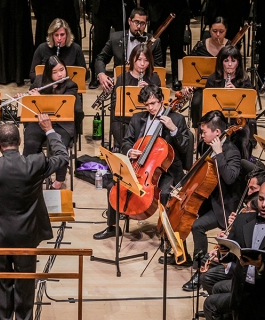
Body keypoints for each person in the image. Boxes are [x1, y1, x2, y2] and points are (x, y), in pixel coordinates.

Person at [0, 114, 69, 320]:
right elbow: (62, 157)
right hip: (27, 235)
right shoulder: (36, 162)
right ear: (20, 141)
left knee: (1, 283)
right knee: (25, 282)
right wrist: (49, 129)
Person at [93, 85, 190, 242]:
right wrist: (130, 151)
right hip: (142, 167)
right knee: (114, 186)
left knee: (165, 193)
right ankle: (112, 227)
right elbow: (126, 141)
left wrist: (173, 129)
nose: (150, 108)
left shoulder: (177, 119)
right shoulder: (138, 118)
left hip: (166, 170)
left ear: (162, 101)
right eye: (147, 104)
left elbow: (185, 147)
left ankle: (166, 235)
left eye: (153, 103)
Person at [180, 110, 241, 290]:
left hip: (225, 207)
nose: (201, 135)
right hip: (209, 200)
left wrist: (219, 154)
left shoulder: (232, 152)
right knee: (192, 223)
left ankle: (200, 274)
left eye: (204, 131)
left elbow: (230, 178)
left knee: (197, 226)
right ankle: (189, 259)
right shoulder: (207, 145)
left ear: (217, 133)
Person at [204, 182, 265, 320]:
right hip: (241, 292)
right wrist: (223, 251)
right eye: (261, 199)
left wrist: (261, 266)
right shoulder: (242, 220)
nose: (263, 204)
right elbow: (229, 255)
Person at [23, 55, 81, 190]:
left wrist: (41, 98)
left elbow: (62, 104)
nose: (60, 74)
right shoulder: (39, 81)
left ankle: (59, 180)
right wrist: (26, 97)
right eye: (55, 72)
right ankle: (32, 175)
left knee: (59, 145)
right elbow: (31, 105)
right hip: (39, 121)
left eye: (62, 70)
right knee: (30, 143)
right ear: (48, 73)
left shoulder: (71, 85)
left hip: (61, 123)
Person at [93, 7, 163, 92]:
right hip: (121, 83)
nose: (139, 26)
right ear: (129, 21)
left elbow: (158, 68)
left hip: (145, 83)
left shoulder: (154, 41)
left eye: (142, 24)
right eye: (136, 22)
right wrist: (101, 74)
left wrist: (149, 85)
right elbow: (100, 58)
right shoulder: (115, 38)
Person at [109, 44, 161, 151]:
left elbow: (160, 103)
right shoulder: (123, 78)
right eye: (139, 60)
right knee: (124, 137)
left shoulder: (154, 78)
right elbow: (115, 104)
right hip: (124, 121)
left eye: (146, 60)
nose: (142, 64)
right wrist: (133, 92)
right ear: (132, 60)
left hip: (147, 119)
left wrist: (150, 92)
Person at [205, 45, 252, 159]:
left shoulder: (244, 80)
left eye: (233, 61)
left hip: (238, 121)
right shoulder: (213, 80)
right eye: (226, 61)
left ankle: (240, 168)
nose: (230, 64)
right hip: (218, 120)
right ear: (221, 62)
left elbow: (249, 106)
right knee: (209, 137)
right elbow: (207, 105)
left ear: (238, 62)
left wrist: (236, 93)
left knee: (241, 139)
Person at [188, 17, 231, 136]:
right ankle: (198, 134)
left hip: (223, 86)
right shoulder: (200, 46)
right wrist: (188, 84)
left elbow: (236, 68)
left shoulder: (230, 46)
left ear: (226, 31)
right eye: (214, 31)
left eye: (221, 31)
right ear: (209, 30)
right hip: (202, 86)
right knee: (196, 102)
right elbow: (189, 66)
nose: (217, 34)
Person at [142, 0, 190, 90]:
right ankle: (159, 76)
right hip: (157, 11)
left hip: (178, 10)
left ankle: (177, 77)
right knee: (159, 47)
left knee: (177, 48)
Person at [87, 0, 134, 89]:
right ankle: (96, 75)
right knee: (99, 43)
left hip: (121, 7)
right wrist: (90, 8)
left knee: (122, 42)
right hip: (102, 8)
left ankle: (120, 73)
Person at [29, 18, 87, 83]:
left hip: (69, 89)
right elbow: (32, 74)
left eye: (62, 35)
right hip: (47, 88)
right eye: (56, 35)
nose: (59, 38)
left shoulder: (76, 49)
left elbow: (84, 75)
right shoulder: (42, 48)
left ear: (67, 35)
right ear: (52, 36)